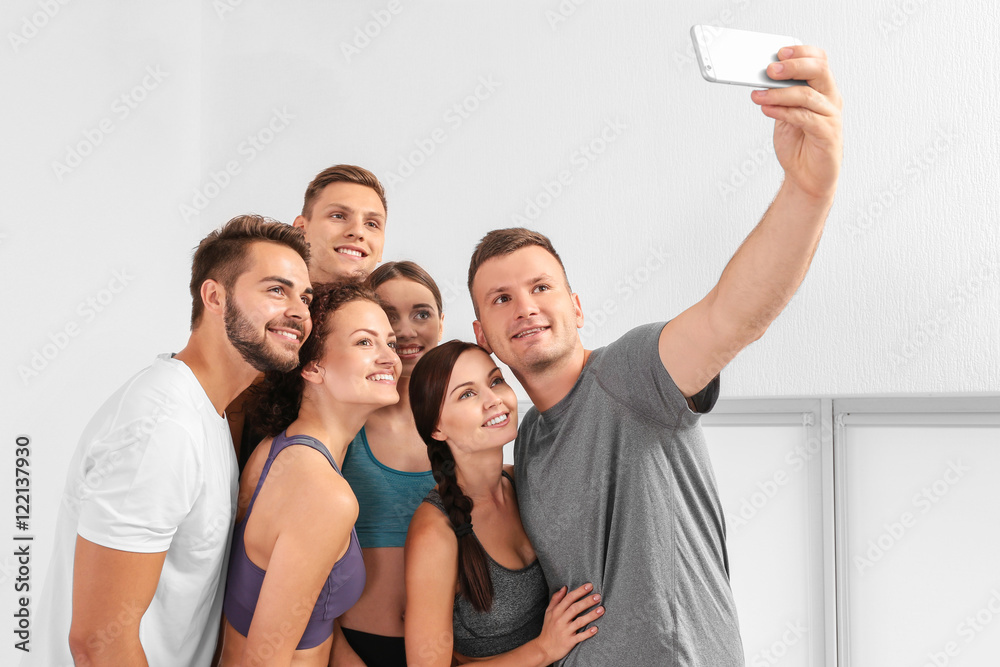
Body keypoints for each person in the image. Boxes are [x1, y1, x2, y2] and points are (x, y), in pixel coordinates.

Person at [466, 46, 843, 665]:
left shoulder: (629, 373)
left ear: (576, 307)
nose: (525, 308)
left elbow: (733, 315)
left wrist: (808, 190)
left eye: (540, 288)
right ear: (484, 334)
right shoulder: (527, 439)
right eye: (502, 299)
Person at [28, 215, 313, 667]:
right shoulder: (163, 425)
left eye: (305, 297)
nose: (299, 311)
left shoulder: (208, 412)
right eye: (277, 290)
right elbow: (98, 643)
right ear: (215, 296)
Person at [218, 280, 400, 665]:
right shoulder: (323, 493)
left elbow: (310, 621)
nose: (389, 358)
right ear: (313, 366)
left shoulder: (276, 449)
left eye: (390, 343)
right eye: (365, 342)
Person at [404, 341, 604, 666]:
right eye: (467, 394)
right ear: (436, 428)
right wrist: (543, 649)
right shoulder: (435, 533)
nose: (493, 399)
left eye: (495, 381)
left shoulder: (526, 481)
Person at [228, 164, 389, 470]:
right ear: (301, 228)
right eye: (338, 215)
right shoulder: (261, 322)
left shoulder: (385, 333)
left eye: (372, 223)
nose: (357, 232)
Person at [333, 261, 445, 666]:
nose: (406, 330)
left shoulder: (461, 422)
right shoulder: (343, 426)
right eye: (389, 315)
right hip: (358, 646)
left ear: (441, 323)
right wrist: (339, 654)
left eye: (422, 314)